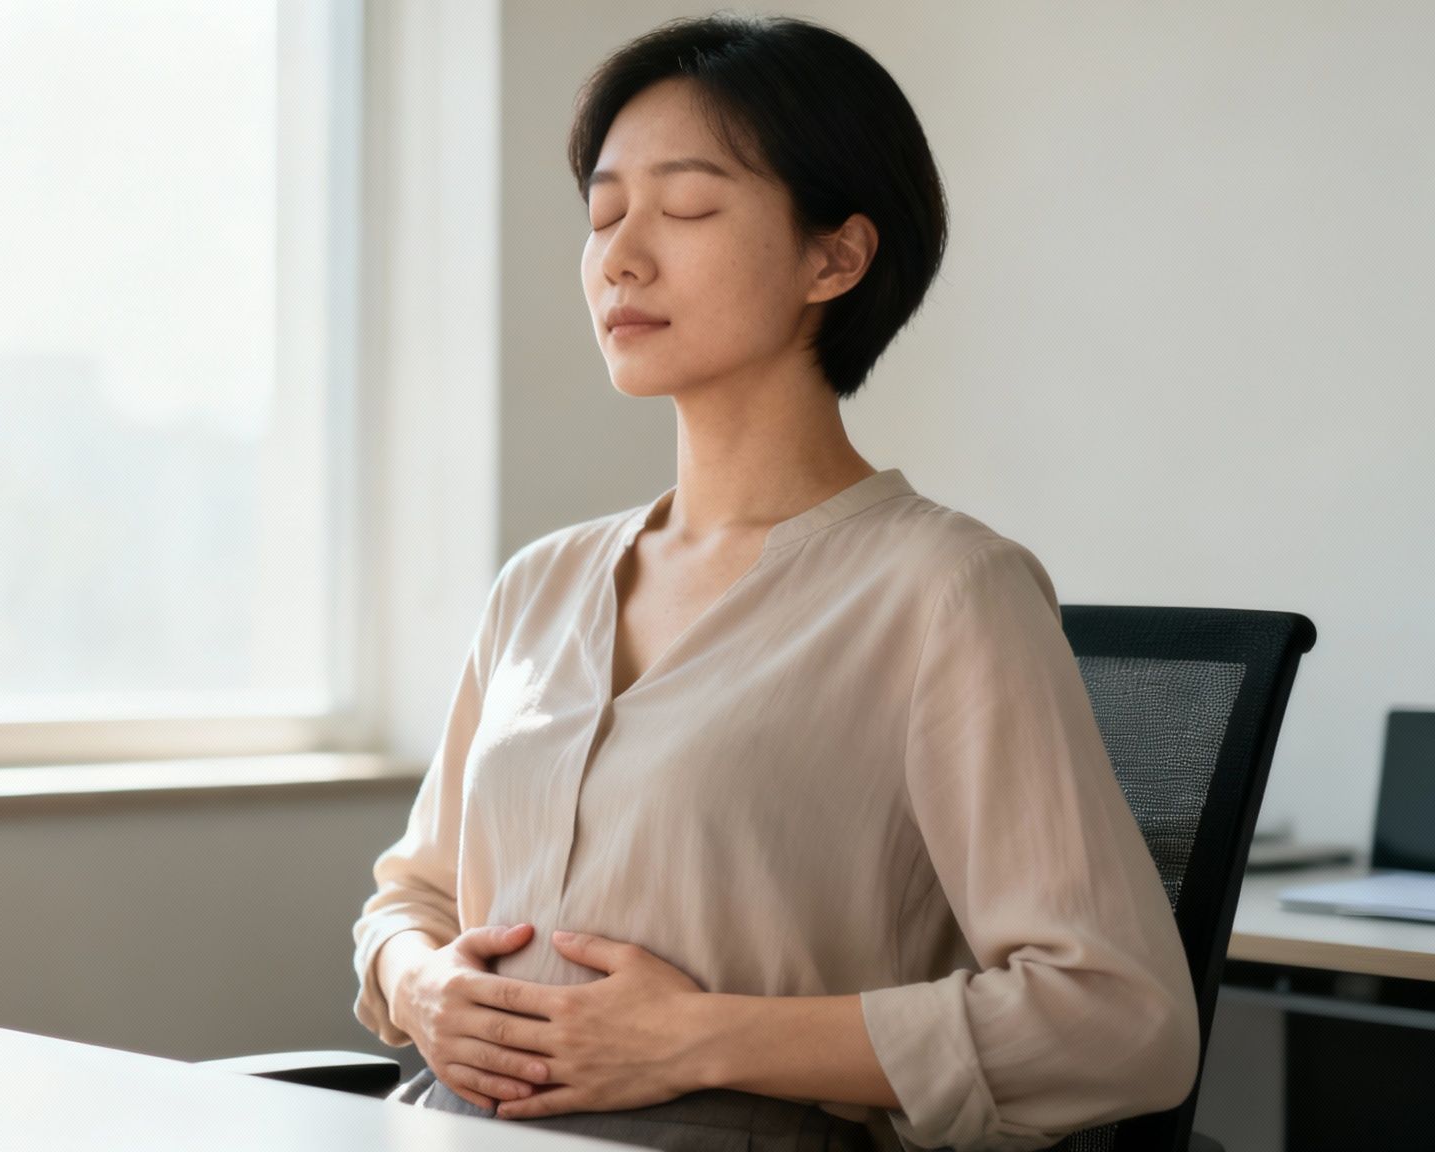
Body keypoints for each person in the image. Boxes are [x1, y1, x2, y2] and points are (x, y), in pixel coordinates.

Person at [349, 14, 1198, 1152]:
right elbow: (411, 899)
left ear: (833, 258)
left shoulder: (948, 592)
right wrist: (420, 990)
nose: (618, 255)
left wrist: (696, 1038)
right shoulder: (536, 586)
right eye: (602, 213)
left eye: (685, 207)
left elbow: (1119, 1023)